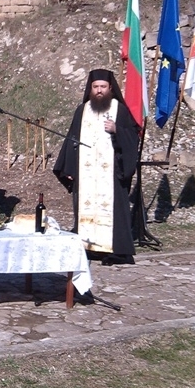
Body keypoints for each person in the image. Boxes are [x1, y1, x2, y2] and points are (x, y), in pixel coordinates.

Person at [53, 69, 140, 265]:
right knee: (85, 209)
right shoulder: (82, 110)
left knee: (114, 211)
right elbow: (71, 140)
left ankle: (116, 251)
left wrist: (117, 129)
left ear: (110, 88)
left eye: (103, 87)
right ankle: (88, 246)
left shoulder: (120, 110)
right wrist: (69, 169)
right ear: (90, 89)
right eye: (95, 87)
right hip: (86, 175)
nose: (99, 91)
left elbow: (133, 137)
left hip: (111, 174)